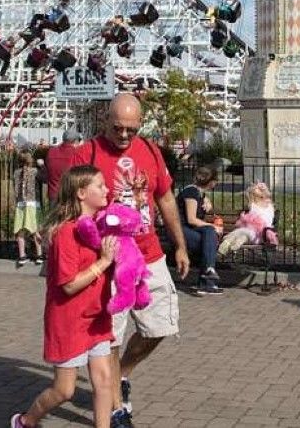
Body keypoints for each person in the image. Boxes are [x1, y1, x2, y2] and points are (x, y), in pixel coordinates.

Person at [71, 94, 190, 428]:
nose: (124, 136)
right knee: (111, 335)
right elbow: (69, 206)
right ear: (106, 120)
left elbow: (164, 197)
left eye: (131, 130)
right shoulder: (88, 153)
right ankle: (116, 408)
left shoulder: (150, 151)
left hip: (149, 255)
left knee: (160, 327)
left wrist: (180, 245)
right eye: (118, 128)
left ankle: (120, 374)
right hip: (108, 258)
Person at [12, 165, 118, 428]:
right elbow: (69, 285)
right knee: (64, 390)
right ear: (82, 193)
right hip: (69, 320)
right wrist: (104, 263)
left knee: (104, 381)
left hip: (97, 316)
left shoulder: (100, 224)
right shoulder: (66, 233)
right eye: (100, 186)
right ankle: (25, 421)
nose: (107, 190)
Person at [177, 164, 224, 296]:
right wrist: (213, 226)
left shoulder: (199, 193)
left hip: (189, 231)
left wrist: (206, 201)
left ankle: (207, 277)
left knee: (209, 237)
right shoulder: (191, 192)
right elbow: (191, 219)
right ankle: (207, 281)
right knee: (209, 237)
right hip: (178, 231)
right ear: (212, 181)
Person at [218, 181, 276, 255]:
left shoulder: (269, 206)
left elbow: (266, 196)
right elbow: (248, 193)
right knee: (243, 234)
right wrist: (257, 189)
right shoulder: (253, 204)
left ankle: (227, 241)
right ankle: (233, 245)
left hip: (260, 234)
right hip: (252, 233)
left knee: (241, 232)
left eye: (260, 191)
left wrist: (262, 188)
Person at [13, 151, 44, 267]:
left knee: (20, 231)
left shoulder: (16, 173)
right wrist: (42, 166)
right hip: (33, 204)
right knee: (35, 229)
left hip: (20, 204)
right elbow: (45, 178)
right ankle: (39, 255)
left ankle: (22, 255)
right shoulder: (35, 172)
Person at [45, 129, 85, 203]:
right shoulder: (77, 154)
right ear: (75, 141)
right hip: (71, 196)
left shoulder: (51, 152)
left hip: (53, 194)